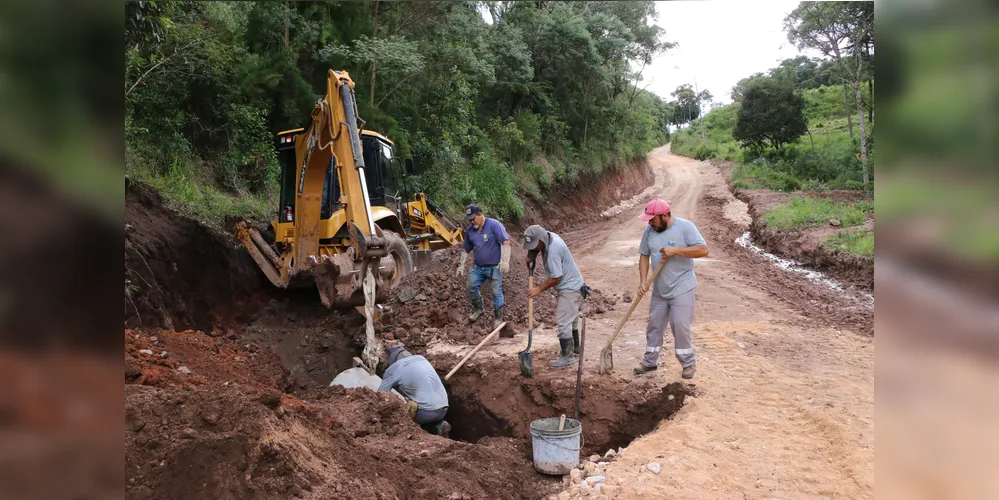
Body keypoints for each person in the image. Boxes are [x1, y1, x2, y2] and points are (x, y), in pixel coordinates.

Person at [635, 199, 709, 379]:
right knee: (654, 325)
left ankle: (688, 363)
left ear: (665, 216)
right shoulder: (649, 231)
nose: (649, 223)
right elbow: (644, 255)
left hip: (682, 287)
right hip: (660, 290)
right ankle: (650, 362)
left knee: (680, 325)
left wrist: (676, 251)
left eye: (653, 219)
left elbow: (703, 250)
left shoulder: (686, 227)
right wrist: (643, 281)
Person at [522, 225, 588, 368]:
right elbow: (536, 247)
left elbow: (556, 277)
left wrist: (538, 289)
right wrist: (531, 256)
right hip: (575, 285)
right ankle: (575, 349)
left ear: (541, 240)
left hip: (570, 289)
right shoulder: (548, 237)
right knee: (571, 320)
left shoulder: (553, 250)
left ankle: (567, 357)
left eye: (534, 245)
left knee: (563, 322)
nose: (533, 247)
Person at [456, 204, 512, 329]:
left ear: (480, 214)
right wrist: (461, 265)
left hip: (494, 267)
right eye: (469, 219)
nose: (471, 222)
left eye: (473, 218)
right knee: (471, 286)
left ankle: (498, 318)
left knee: (496, 291)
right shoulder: (470, 230)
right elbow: (466, 249)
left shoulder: (494, 225)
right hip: (479, 267)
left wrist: (505, 261)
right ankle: (479, 309)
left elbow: (505, 241)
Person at [378, 344, 451, 436]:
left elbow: (380, 395)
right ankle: (438, 426)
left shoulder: (395, 368)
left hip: (423, 414)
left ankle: (407, 433)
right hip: (443, 409)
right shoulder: (422, 360)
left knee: (396, 412)